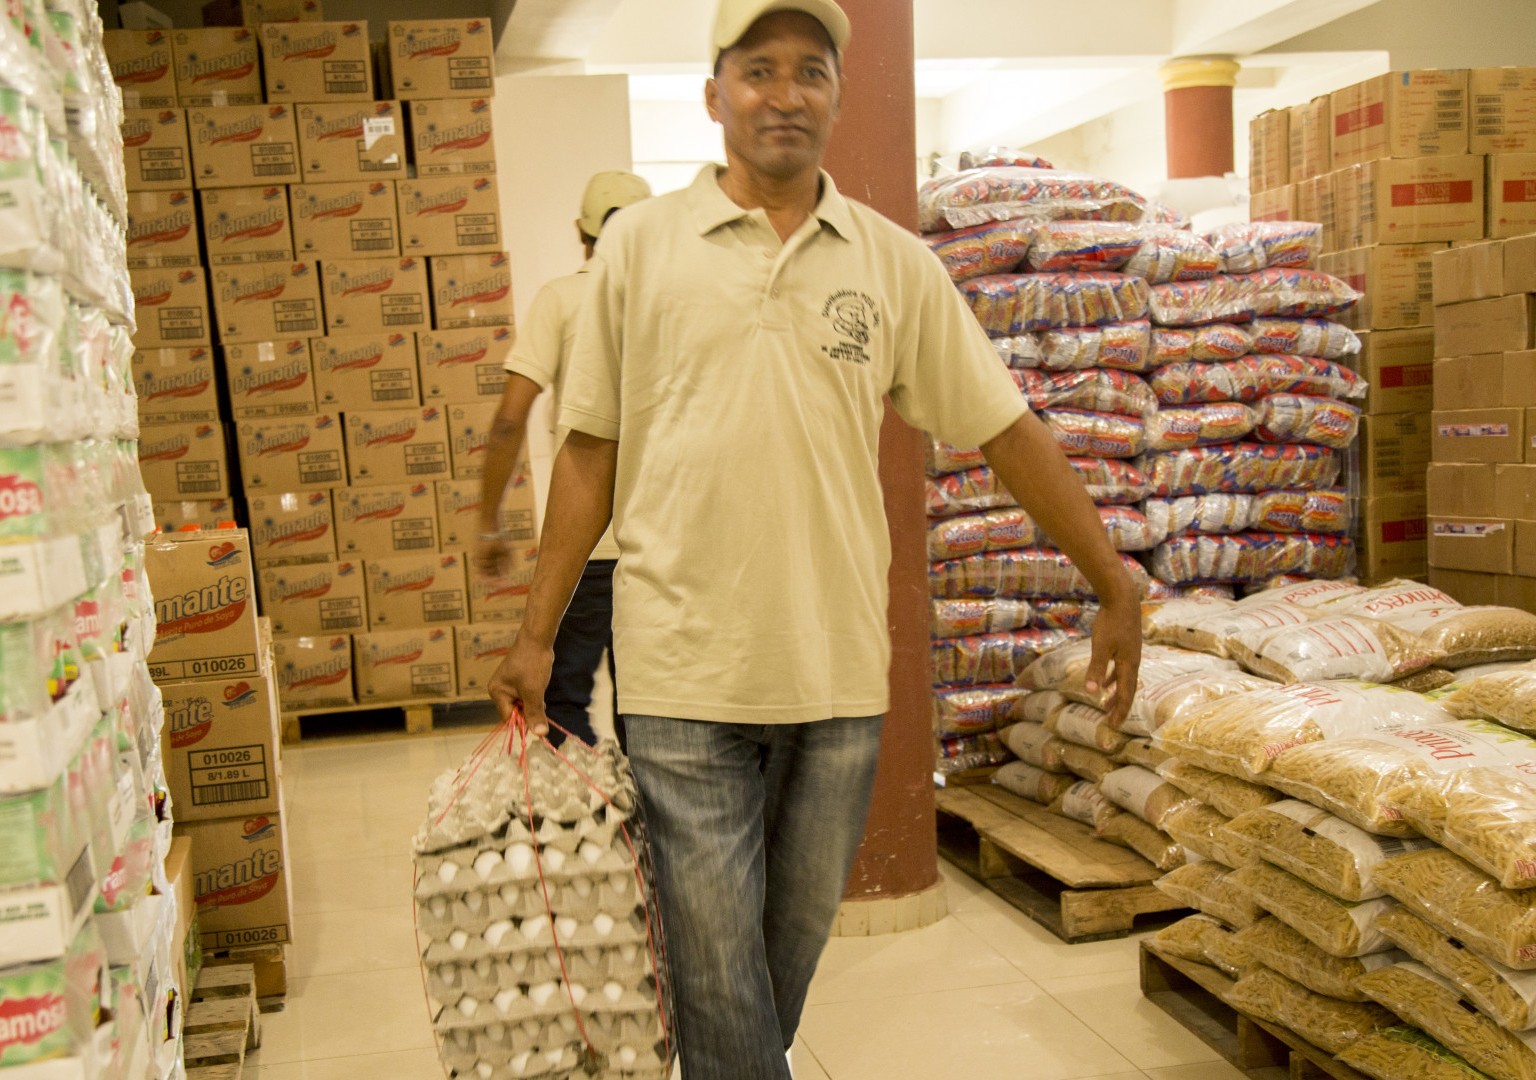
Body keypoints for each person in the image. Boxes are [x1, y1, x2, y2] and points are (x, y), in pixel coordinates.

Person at [487, 0, 1144, 1073]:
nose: (784, 94)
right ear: (715, 95)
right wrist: (535, 633)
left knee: (772, 969)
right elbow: (589, 452)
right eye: (758, 70)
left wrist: (1113, 581)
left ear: (839, 96)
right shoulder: (640, 250)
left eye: (810, 71)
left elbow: (1005, 427)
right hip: (681, 676)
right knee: (716, 974)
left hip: (835, 675)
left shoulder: (892, 265)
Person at [473, 170, 653, 748]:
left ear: (582, 231)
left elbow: (508, 421)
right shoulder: (669, 305)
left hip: (585, 552)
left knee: (560, 702)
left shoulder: (560, 299)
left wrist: (489, 522)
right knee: (652, 713)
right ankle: (647, 807)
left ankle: (583, 804)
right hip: (658, 551)